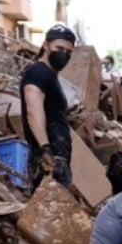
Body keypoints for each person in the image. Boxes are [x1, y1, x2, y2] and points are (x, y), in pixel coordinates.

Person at [20, 24, 76, 189]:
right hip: (48, 159)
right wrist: (45, 149)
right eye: (59, 48)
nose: (63, 54)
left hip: (56, 158)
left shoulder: (50, 75)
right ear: (46, 45)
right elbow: (33, 109)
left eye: (68, 52)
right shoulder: (38, 73)